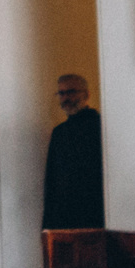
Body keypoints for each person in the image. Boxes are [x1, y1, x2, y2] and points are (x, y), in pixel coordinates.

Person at [43, 73, 104, 229]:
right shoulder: (59, 132)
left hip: (94, 213)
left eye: (71, 92)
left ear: (86, 94)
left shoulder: (100, 127)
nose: (66, 98)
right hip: (62, 215)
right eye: (61, 93)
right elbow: (52, 179)